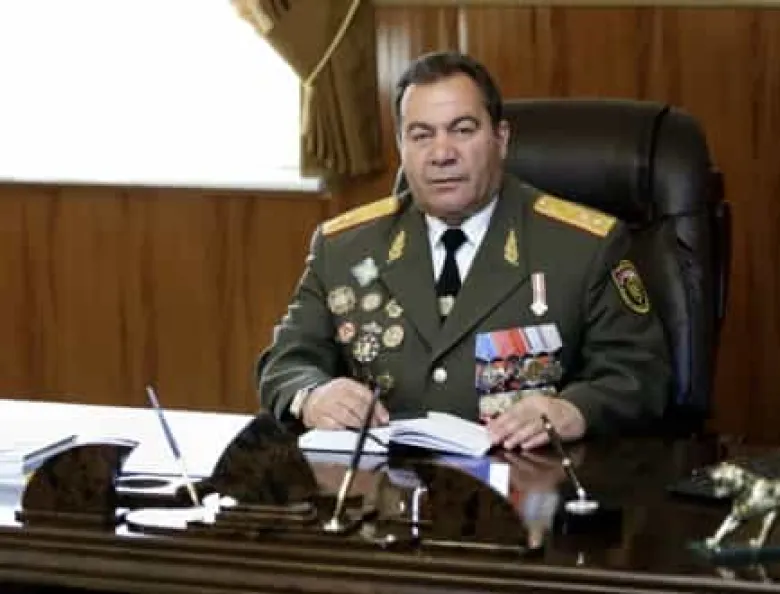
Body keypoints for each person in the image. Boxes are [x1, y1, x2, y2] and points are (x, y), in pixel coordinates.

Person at [256, 50, 671, 451]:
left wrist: (574, 410)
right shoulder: (343, 247)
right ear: (402, 147)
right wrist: (312, 395)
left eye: (462, 130)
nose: (442, 154)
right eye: (422, 135)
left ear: (500, 139)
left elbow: (640, 374)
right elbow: (286, 362)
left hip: (525, 481)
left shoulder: (583, 246)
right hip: (382, 486)